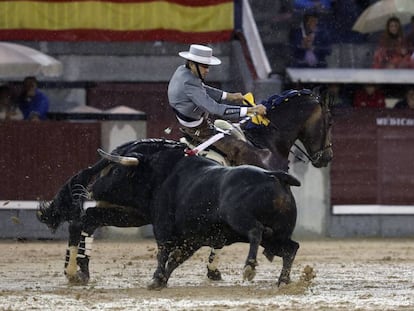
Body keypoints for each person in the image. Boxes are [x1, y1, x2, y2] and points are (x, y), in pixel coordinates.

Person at [168, 44, 268, 167]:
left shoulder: (184, 71)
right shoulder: (190, 83)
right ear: (192, 64)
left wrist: (229, 96)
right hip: (199, 131)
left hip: (196, 124)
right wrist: (250, 110)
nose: (207, 70)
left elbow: (202, 89)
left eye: (208, 66)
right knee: (242, 150)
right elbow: (215, 109)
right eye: (204, 66)